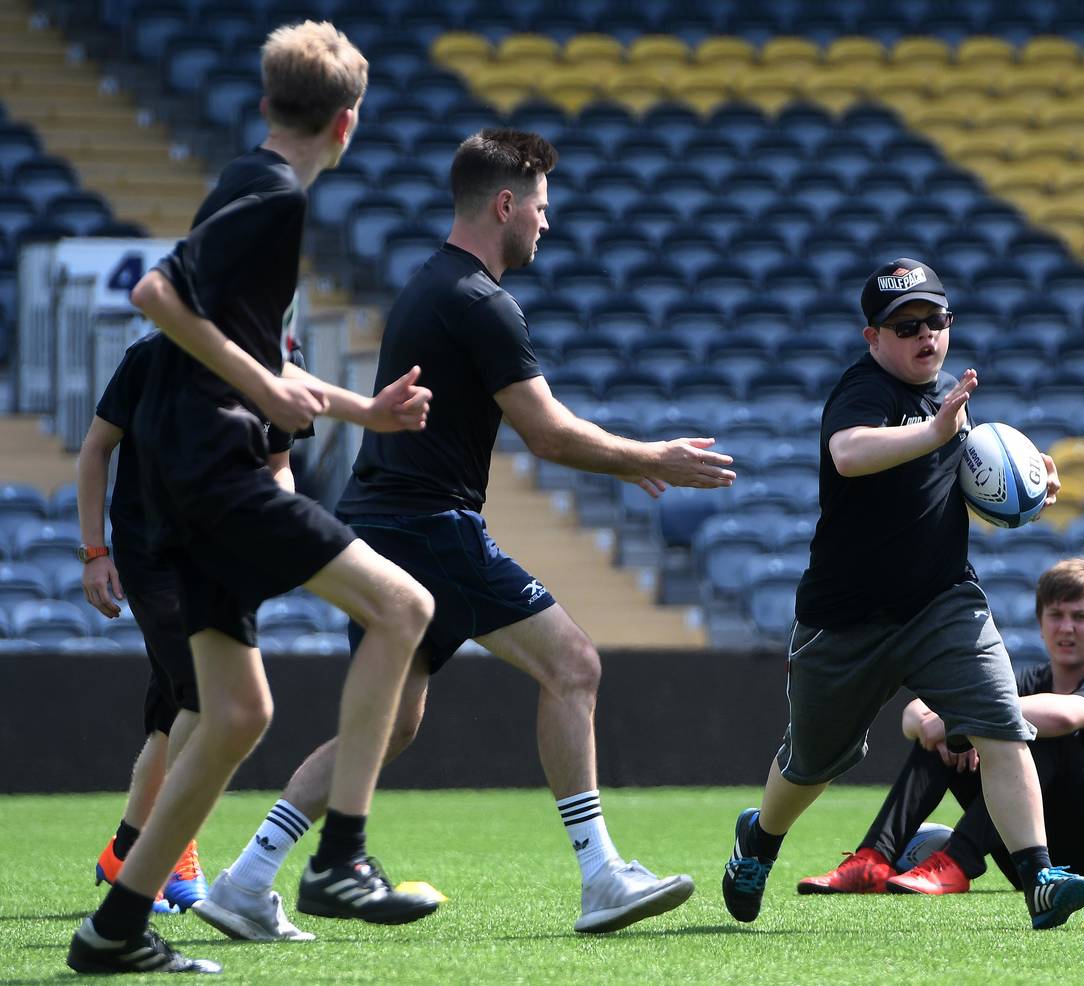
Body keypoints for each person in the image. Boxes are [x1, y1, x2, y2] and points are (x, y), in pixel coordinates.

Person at [192, 127, 736, 943]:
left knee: (392, 724)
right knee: (574, 665)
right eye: (542, 208)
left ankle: (245, 879)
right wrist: (647, 458)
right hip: (425, 526)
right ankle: (600, 877)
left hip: (386, 523)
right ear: (506, 204)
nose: (547, 225)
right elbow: (547, 433)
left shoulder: (432, 284)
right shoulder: (480, 301)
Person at [68, 21, 439, 976]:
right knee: (406, 608)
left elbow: (259, 347)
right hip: (217, 472)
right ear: (347, 124)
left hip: (179, 493)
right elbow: (157, 292)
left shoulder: (250, 181)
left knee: (235, 715)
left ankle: (114, 927)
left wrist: (366, 408)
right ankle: (342, 858)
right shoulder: (272, 195)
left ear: (270, 103)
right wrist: (268, 391)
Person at [721, 257, 1084, 932]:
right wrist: (934, 432)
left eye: (936, 321)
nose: (926, 336)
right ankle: (760, 842)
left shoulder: (949, 397)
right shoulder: (862, 391)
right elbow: (849, 453)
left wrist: (1030, 483)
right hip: (844, 619)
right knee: (811, 765)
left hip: (941, 603)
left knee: (1003, 728)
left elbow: (966, 473)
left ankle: (1041, 876)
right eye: (906, 326)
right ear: (874, 338)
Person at [82, 333, 318, 919]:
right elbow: (95, 451)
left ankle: (126, 854)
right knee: (206, 698)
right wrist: (94, 552)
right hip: (152, 555)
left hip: (221, 559)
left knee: (172, 714)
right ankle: (173, 858)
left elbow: (279, 468)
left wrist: (272, 527)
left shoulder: (280, 369)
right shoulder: (151, 355)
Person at [797, 558, 1084, 897]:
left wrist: (961, 721)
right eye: (1056, 615)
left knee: (1030, 733)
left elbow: (1064, 716)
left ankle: (958, 861)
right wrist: (951, 728)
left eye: (1080, 617)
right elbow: (913, 714)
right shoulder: (1028, 680)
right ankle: (873, 859)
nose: (1066, 627)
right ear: (1040, 623)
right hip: (1044, 852)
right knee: (954, 736)